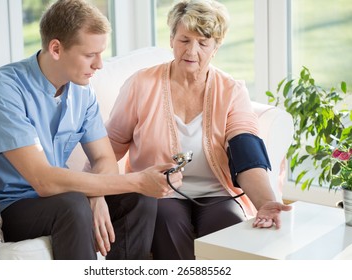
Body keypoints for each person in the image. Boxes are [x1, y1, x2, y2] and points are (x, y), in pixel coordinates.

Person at [0, 0, 181, 260]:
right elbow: (43, 180)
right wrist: (136, 179)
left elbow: (104, 158)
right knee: (73, 204)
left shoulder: (82, 91)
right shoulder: (4, 90)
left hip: (65, 196)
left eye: (101, 53)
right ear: (56, 49)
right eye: (90, 54)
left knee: (137, 198)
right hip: (17, 206)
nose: (99, 65)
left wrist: (97, 195)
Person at [105, 0, 292, 260]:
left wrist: (265, 203)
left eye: (203, 43)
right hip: (161, 193)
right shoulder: (141, 85)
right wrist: (92, 189)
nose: (192, 51)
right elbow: (109, 147)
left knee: (229, 224)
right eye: (184, 40)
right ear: (171, 39)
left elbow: (247, 153)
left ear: (216, 47)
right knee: (167, 223)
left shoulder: (231, 91)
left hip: (217, 192)